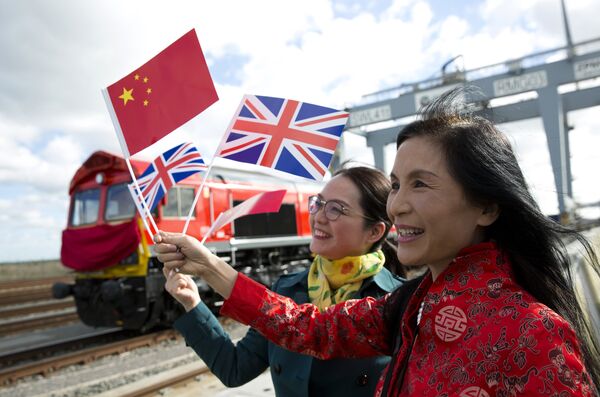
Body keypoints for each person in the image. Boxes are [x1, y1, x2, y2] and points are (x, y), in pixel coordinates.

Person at [155, 88, 600, 396]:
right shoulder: (410, 305)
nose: (397, 205)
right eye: (396, 185)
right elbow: (305, 327)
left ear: (486, 206)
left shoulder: (532, 331)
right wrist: (209, 267)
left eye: (420, 185)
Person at [161, 165, 406, 397]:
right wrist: (192, 305)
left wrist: (209, 267)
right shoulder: (287, 290)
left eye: (335, 209)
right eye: (318, 204)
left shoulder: (397, 302)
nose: (318, 217)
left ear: (374, 231)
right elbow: (235, 368)